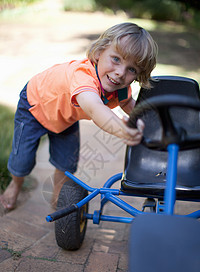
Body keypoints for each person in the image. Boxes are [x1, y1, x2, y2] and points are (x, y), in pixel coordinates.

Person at [0, 22, 157, 211]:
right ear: (99, 53)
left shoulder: (121, 87)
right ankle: (15, 184)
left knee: (67, 163)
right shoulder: (83, 75)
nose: (120, 73)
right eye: (116, 59)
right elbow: (94, 108)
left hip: (65, 116)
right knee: (21, 161)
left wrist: (151, 123)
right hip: (35, 106)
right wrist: (121, 130)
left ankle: (58, 195)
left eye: (132, 69)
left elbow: (129, 105)